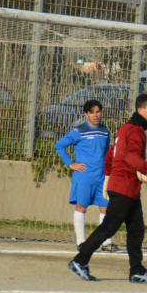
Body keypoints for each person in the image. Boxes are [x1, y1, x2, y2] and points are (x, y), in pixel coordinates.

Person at [68, 93, 147, 285]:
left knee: (136, 230)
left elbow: (112, 153)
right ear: (141, 110)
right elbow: (130, 157)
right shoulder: (136, 130)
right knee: (109, 227)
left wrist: (108, 177)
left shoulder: (126, 128)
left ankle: (137, 270)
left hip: (125, 186)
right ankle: (80, 260)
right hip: (124, 187)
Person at [55, 99, 115, 251]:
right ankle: (81, 242)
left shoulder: (105, 131)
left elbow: (107, 152)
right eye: (92, 112)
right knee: (81, 207)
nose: (96, 115)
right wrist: (70, 163)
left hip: (102, 176)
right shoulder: (79, 131)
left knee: (106, 208)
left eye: (98, 112)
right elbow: (60, 145)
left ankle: (106, 242)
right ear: (86, 115)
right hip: (84, 176)